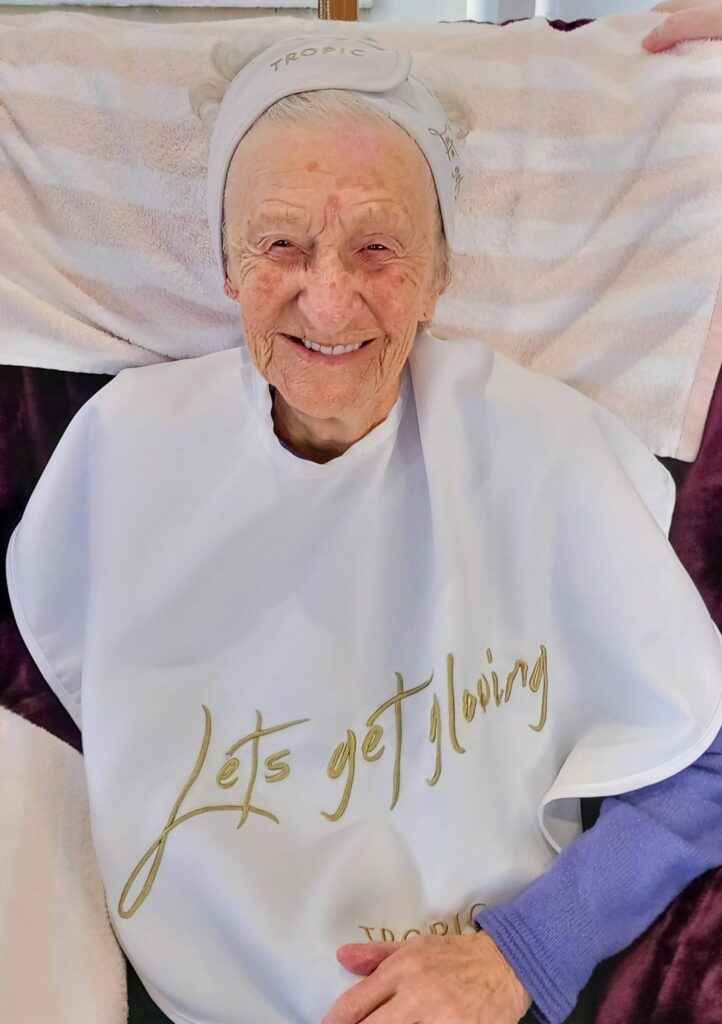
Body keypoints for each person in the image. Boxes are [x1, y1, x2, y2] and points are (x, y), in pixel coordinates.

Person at [6, 19, 722, 1024]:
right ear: (223, 263)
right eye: (281, 243)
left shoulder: (537, 450)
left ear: (438, 273)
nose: (329, 299)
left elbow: (706, 754)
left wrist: (524, 951)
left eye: (378, 246)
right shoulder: (124, 454)